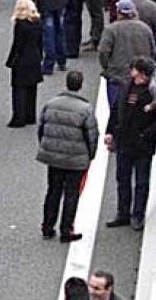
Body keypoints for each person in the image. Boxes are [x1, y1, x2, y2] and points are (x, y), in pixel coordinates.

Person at [106, 38, 156, 232]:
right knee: (122, 178)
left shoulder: (155, 90)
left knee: (141, 182)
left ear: (143, 73)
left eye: (134, 70)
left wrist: (147, 134)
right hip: (124, 140)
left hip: (142, 143)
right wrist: (109, 131)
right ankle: (123, 213)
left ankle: (137, 215)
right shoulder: (126, 85)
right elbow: (116, 109)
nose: (131, 73)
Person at [37, 71, 98, 242]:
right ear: (81, 85)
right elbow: (91, 136)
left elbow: (42, 128)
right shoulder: (85, 109)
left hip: (53, 157)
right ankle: (66, 229)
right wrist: (90, 156)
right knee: (71, 194)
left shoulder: (51, 104)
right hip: (75, 159)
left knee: (53, 191)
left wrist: (46, 147)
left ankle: (47, 226)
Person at [99, 0, 156, 109]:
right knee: (137, 109)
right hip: (140, 76)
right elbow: (153, 50)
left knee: (115, 110)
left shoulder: (111, 30)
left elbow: (103, 52)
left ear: (118, 12)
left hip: (117, 75)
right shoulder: (145, 28)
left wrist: (107, 67)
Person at [6, 0, 44, 127]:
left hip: (22, 60)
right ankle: (30, 115)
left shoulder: (20, 25)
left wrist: (11, 60)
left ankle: (19, 118)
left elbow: (17, 45)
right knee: (32, 88)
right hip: (35, 58)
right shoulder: (37, 22)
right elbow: (40, 42)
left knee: (19, 90)